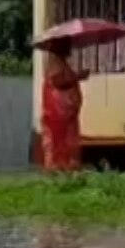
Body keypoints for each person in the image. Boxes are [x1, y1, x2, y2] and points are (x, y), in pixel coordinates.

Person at [40, 38, 87, 172]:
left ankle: (66, 167)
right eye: (67, 46)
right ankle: (59, 168)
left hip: (65, 113)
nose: (70, 49)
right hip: (58, 112)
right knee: (59, 140)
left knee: (65, 140)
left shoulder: (59, 61)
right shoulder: (55, 62)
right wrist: (78, 77)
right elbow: (58, 82)